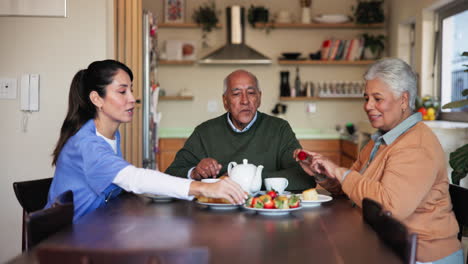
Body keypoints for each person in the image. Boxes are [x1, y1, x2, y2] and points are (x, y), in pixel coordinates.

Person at [295, 58, 462, 264]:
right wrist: (321, 172)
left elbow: (390, 207)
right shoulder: (382, 139)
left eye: (377, 98)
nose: (368, 106)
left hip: (420, 257)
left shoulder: (416, 144)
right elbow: (352, 188)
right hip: (384, 245)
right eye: (366, 98)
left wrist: (339, 171)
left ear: (403, 100)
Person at [46, 60, 246, 221]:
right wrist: (205, 187)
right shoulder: (86, 144)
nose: (132, 98)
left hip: (96, 228)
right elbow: (132, 178)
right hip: (68, 241)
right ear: (97, 99)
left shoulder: (112, 136)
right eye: (123, 91)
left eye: (131, 90)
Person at [165, 69, 315, 191]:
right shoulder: (205, 132)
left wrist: (245, 179)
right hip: (217, 218)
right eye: (236, 94)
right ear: (225, 101)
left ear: (259, 98)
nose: (245, 101)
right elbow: (170, 175)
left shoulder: (279, 129)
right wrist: (195, 173)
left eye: (251, 93)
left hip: (266, 217)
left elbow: (304, 177)